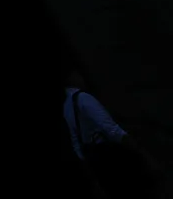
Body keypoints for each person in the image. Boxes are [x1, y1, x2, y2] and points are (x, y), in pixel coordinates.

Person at [65, 71, 162, 199]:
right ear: (73, 78)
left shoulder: (66, 106)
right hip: (108, 155)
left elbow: (76, 142)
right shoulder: (83, 98)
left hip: (94, 157)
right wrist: (142, 152)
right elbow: (111, 129)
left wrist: (89, 168)